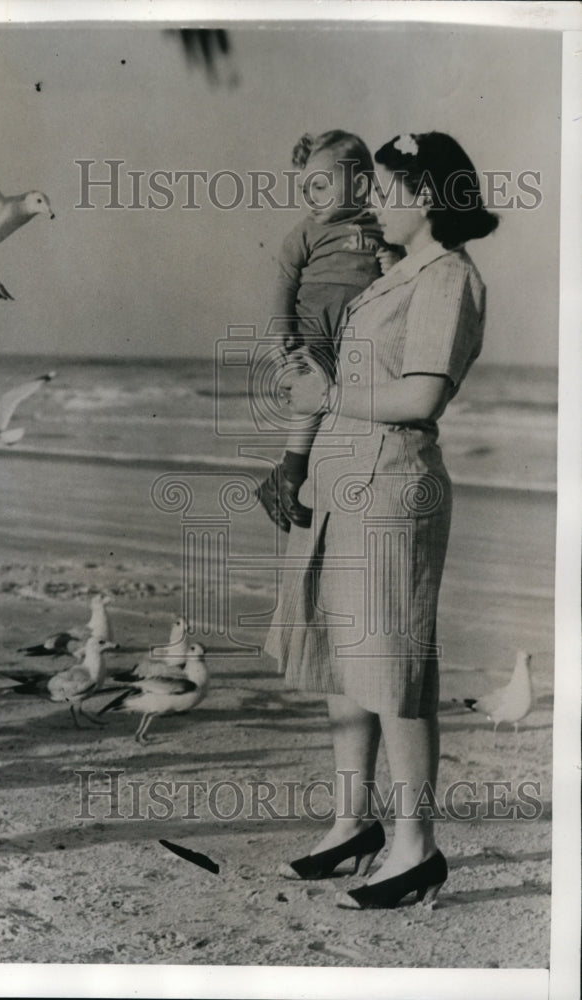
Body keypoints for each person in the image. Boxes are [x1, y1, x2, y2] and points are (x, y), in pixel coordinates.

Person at [265, 131, 498, 909]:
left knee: (396, 671)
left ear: (426, 197)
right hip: (346, 479)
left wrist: (327, 395)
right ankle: (350, 824)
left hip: (396, 486)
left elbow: (422, 398)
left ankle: (414, 846)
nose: (377, 203)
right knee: (345, 663)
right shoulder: (392, 276)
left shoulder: (447, 278)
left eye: (391, 190)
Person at [255, 130, 398, 533]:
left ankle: (303, 476)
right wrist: (282, 330)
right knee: (313, 397)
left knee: (346, 404)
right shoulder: (305, 233)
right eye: (305, 188)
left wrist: (393, 262)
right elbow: (285, 280)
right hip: (311, 335)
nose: (310, 196)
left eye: (319, 186)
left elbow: (394, 280)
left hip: (352, 339)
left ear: (358, 185)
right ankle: (288, 475)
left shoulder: (379, 230)